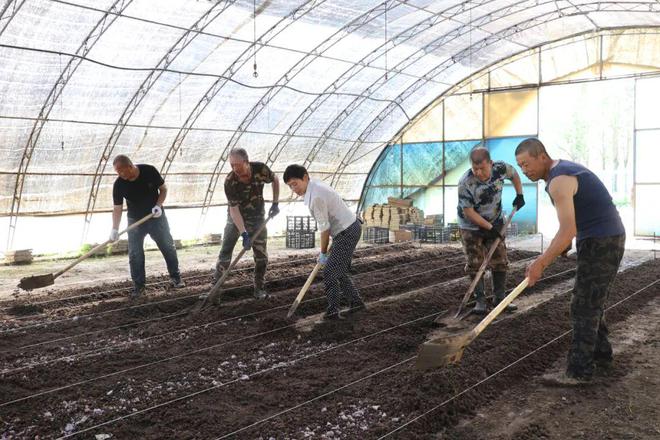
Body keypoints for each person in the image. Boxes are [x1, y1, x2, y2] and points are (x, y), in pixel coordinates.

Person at [515, 138, 625, 385]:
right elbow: (571, 226)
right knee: (591, 301)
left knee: (583, 305)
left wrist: (540, 263)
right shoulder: (561, 173)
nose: (524, 170)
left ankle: (579, 372)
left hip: (602, 241)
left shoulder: (559, 181)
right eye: (520, 166)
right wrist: (563, 246)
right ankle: (601, 356)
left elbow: (568, 230)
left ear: (541, 156)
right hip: (600, 238)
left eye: (526, 163)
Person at [283, 164, 366, 321]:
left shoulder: (316, 197)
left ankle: (333, 311)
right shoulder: (314, 186)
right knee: (338, 271)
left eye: (295, 183)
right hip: (348, 228)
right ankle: (356, 303)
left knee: (329, 272)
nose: (293, 188)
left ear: (305, 177)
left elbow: (325, 228)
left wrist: (322, 252)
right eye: (290, 186)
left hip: (346, 231)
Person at [457, 146, 526, 315]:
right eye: (475, 169)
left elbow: (514, 174)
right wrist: (489, 228)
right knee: (475, 263)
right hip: (470, 226)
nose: (478, 172)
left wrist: (520, 194)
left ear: (491, 163)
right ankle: (480, 301)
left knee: (500, 260)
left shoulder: (500, 169)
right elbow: (469, 212)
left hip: (495, 219)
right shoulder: (465, 182)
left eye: (482, 168)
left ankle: (499, 299)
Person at [111, 154, 184, 298]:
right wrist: (114, 229)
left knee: (167, 246)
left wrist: (158, 205)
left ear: (130, 167)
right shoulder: (119, 184)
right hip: (135, 221)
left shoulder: (149, 171)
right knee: (135, 253)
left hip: (155, 216)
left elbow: (163, 189)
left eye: (121, 171)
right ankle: (139, 287)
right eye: (117, 172)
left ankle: (176, 277)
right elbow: (117, 208)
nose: (119, 174)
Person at [213, 148, 280, 300]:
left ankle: (259, 289)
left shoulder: (260, 169)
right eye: (231, 165)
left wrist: (275, 203)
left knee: (261, 255)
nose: (234, 168)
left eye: (237, 164)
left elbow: (275, 179)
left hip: (257, 218)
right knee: (225, 252)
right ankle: (215, 290)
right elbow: (234, 210)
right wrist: (243, 233)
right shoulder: (230, 181)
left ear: (246, 161)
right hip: (236, 218)